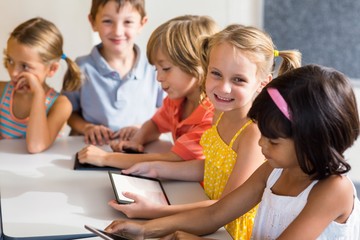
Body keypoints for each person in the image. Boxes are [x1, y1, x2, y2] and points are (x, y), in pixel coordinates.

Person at [104, 65, 360, 240]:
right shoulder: (274, 168)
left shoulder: (332, 189)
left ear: (312, 141)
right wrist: (146, 230)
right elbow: (216, 213)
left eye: (273, 141)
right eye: (262, 136)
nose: (262, 146)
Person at [106, 24, 301, 240]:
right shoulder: (219, 111)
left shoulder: (253, 133)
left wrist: (154, 212)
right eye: (216, 74)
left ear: (262, 83)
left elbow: (224, 207)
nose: (223, 88)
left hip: (230, 230)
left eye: (238, 79)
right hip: (206, 217)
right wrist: (157, 169)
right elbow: (213, 167)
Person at [77, 15, 219, 169]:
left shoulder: (212, 116)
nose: (158, 77)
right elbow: (156, 124)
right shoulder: (176, 101)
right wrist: (137, 141)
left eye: (166, 69)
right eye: (156, 69)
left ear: (197, 64)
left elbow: (175, 159)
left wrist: (106, 158)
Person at [62, 0, 164, 146]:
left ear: (142, 23)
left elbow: (167, 114)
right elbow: (67, 113)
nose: (117, 31)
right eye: (107, 21)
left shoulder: (155, 68)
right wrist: (87, 127)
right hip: (90, 148)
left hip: (141, 149)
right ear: (93, 22)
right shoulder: (80, 67)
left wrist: (143, 129)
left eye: (128, 21)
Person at [0, 17, 81, 153]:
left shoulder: (60, 105)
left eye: (25, 66)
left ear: (52, 69)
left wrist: (38, 94)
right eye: (10, 60)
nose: (14, 73)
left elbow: (36, 146)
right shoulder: (2, 91)